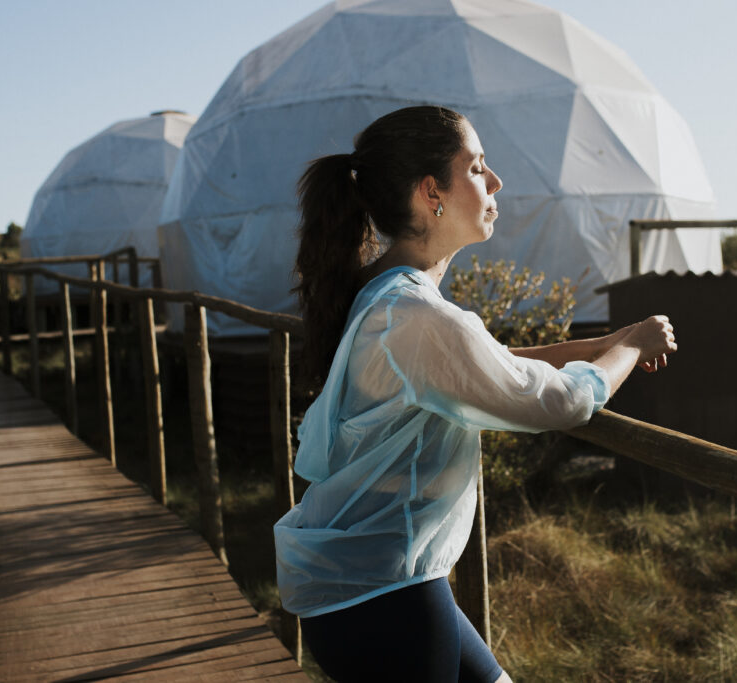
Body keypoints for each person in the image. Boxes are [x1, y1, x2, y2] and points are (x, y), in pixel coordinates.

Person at [274, 105, 676, 683]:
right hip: (385, 598)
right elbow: (559, 404)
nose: (496, 182)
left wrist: (602, 343)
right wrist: (633, 347)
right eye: (478, 166)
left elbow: (487, 367)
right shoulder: (414, 315)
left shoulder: (391, 295)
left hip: (381, 584)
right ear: (430, 192)